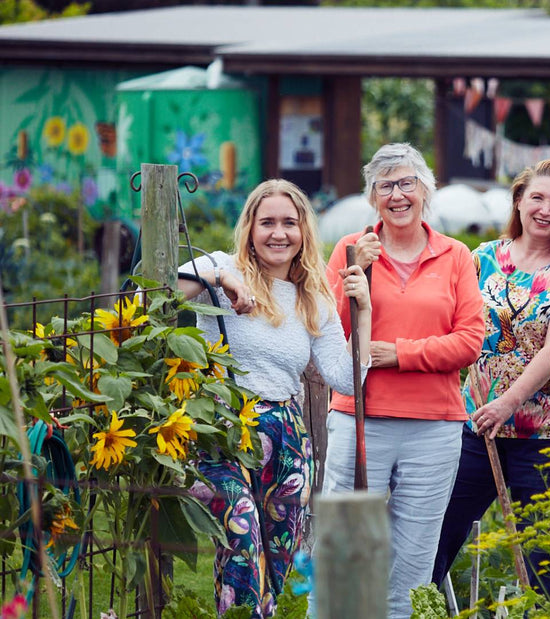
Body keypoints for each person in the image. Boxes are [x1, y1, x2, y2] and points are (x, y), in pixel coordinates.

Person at [178, 179, 372, 619]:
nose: (278, 233)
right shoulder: (219, 266)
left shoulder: (312, 297)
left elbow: (343, 379)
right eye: (267, 222)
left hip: (286, 437)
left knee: (280, 561)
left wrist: (365, 312)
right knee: (242, 544)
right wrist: (220, 277)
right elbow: (154, 296)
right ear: (250, 227)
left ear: (304, 231)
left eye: (290, 222)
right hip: (222, 428)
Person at [322, 143, 483, 619]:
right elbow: (330, 332)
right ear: (373, 196)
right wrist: (361, 269)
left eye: (407, 183)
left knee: (413, 559)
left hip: (434, 428)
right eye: (386, 185)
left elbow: (470, 342)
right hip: (360, 419)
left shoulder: (455, 256)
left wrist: (399, 354)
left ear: (424, 191)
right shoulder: (350, 249)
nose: (397, 195)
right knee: (346, 550)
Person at [431, 159, 550, 591]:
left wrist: (510, 403)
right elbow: (455, 329)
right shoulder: (482, 258)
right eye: (537, 198)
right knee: (435, 536)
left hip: (546, 431)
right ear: (519, 201)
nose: (545, 209)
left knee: (547, 557)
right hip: (476, 426)